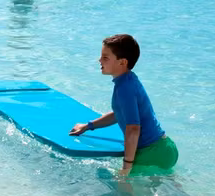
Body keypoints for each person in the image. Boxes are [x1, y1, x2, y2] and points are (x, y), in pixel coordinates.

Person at [69, 34, 178, 177]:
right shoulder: (128, 80)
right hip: (165, 148)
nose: (99, 60)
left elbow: (133, 129)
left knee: (120, 185)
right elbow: (118, 114)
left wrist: (126, 167)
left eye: (105, 57)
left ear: (122, 62)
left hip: (151, 153)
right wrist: (88, 126)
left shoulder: (125, 88)